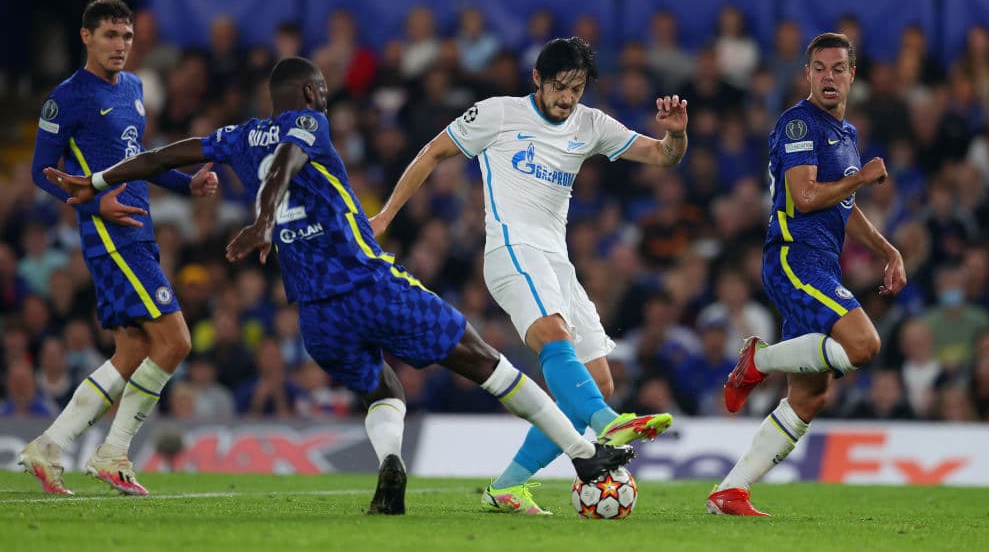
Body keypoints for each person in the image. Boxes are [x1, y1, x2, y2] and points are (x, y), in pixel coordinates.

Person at [45, 56, 636, 515]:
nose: (325, 98)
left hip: (315, 314)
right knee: (487, 363)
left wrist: (96, 179)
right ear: (308, 95)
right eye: (322, 90)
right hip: (368, 282)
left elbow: (162, 156)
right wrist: (261, 218)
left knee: (383, 391)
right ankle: (586, 456)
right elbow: (285, 164)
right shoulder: (308, 122)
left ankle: (390, 466)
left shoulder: (239, 136)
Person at [369, 37, 688, 514]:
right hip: (511, 251)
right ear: (536, 79)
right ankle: (609, 425)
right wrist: (385, 217)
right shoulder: (498, 114)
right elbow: (431, 153)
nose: (567, 98)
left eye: (577, 89)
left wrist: (677, 135)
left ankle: (507, 486)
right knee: (556, 343)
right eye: (559, 86)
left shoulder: (591, 124)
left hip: (558, 263)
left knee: (595, 384)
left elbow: (663, 156)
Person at [20, 0, 219, 496]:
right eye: (110, 35)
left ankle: (49, 447)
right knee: (175, 342)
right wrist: (93, 207)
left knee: (132, 350)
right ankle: (114, 454)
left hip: (139, 229)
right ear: (86, 36)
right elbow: (40, 173)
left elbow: (140, 159)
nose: (121, 46)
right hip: (112, 234)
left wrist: (186, 184)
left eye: (127, 37)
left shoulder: (132, 87)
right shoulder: (67, 97)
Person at [707, 32, 907, 516]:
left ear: (852, 75)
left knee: (810, 397)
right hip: (795, 260)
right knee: (864, 346)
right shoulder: (799, 124)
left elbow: (844, 208)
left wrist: (887, 249)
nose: (829, 77)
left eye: (838, 68)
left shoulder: (846, 135)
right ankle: (760, 360)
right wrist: (861, 176)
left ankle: (729, 491)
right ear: (807, 75)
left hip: (820, 262)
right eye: (819, 68)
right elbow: (808, 197)